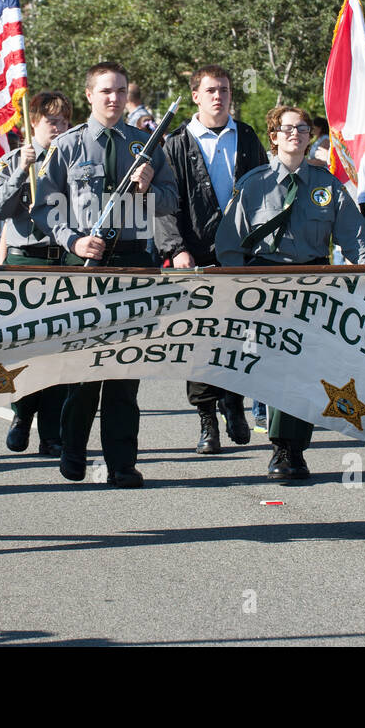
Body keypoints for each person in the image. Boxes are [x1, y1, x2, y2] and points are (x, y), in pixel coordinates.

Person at [31, 61, 178, 487]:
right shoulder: (70, 145)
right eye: (105, 91)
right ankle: (73, 451)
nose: (113, 98)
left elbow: (170, 202)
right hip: (87, 267)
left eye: (120, 90)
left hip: (134, 264)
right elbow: (45, 205)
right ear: (90, 96)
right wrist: (72, 241)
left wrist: (150, 185)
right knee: (84, 367)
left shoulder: (146, 145)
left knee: (125, 372)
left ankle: (121, 462)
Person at [216, 105, 365, 480]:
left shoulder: (327, 185)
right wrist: (244, 290)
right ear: (273, 136)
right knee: (277, 364)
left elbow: (356, 239)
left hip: (314, 282)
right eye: (286, 129)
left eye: (302, 128)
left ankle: (292, 447)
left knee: (305, 367)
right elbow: (227, 243)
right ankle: (283, 447)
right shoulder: (253, 184)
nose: (295, 134)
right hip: (265, 283)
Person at [153, 64, 269, 454]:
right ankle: (207, 419)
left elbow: (264, 198)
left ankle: (234, 402)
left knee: (238, 335)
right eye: (211, 90)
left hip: (240, 257)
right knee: (201, 338)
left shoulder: (248, 137)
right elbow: (164, 206)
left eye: (224, 89)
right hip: (194, 256)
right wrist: (175, 248)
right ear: (196, 96)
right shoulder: (175, 143)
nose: (219, 96)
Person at [0, 90, 73, 457]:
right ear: (33, 123)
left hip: (62, 260)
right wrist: (23, 170)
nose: (58, 127)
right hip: (25, 260)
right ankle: (22, 414)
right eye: (51, 121)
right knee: (25, 346)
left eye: (65, 121)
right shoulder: (11, 161)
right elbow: (0, 210)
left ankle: (51, 431)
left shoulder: (74, 161)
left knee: (57, 350)